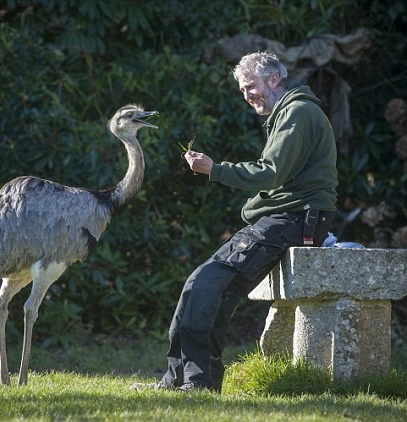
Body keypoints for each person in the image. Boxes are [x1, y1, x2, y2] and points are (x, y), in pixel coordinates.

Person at [133, 51, 338, 393]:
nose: (247, 95)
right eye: (242, 90)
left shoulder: (298, 113)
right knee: (201, 285)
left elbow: (271, 173)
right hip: (289, 217)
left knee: (208, 283)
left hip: (296, 220)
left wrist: (215, 169)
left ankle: (198, 383)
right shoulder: (290, 112)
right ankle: (179, 379)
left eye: (251, 86)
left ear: (274, 79)